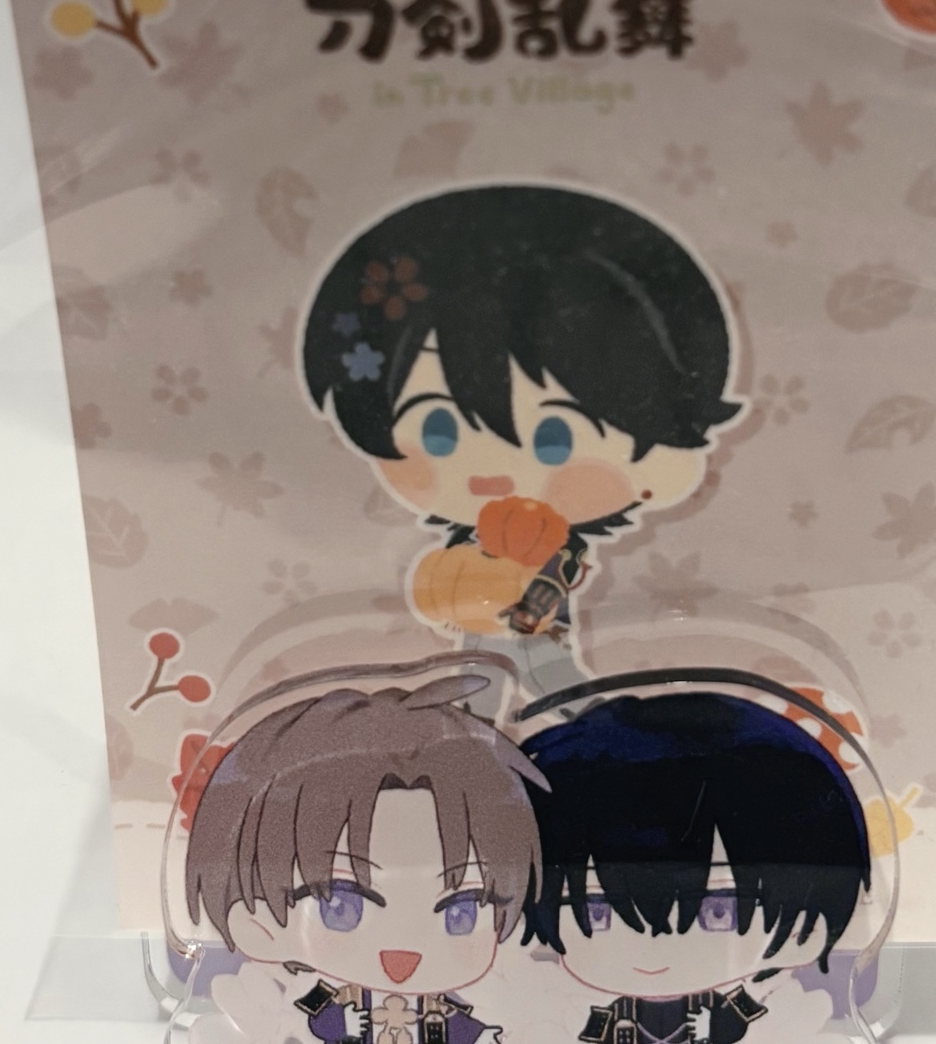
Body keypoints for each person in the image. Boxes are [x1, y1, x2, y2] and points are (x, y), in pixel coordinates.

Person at [301, 184, 741, 701]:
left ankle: (587, 726)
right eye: (438, 432)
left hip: (536, 622)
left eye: (555, 439)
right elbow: (447, 588)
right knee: (478, 681)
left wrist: (533, 599)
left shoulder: (558, 542)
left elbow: (561, 572)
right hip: (481, 626)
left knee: (548, 674)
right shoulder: (469, 544)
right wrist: (448, 590)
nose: (494, 473)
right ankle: (479, 734)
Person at [183, 675, 544, 1044]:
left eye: (461, 911)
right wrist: (339, 1021)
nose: (403, 951)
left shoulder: (434, 1002)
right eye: (341, 905)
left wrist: (479, 1038)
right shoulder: (326, 992)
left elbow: (454, 1021)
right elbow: (319, 1019)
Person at [520, 689, 871, 1044]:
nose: (651, 946)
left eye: (716, 910)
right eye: (598, 909)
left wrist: (724, 1024)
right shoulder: (621, 1009)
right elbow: (591, 1029)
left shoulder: (717, 1003)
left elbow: (741, 1014)